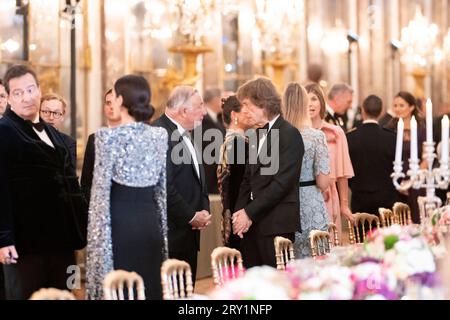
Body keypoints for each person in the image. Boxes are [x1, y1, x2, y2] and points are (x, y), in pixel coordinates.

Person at [0, 64, 87, 300]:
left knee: (64, 296)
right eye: (18, 93)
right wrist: (3, 239)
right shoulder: (4, 131)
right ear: (8, 97)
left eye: (31, 89)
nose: (27, 97)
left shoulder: (57, 136)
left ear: (39, 90)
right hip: (25, 245)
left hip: (63, 242)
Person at [86, 75, 168, 300]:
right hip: (150, 221)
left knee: (121, 286)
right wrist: (162, 234)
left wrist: (96, 251)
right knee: (149, 283)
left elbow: (99, 196)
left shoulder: (107, 138)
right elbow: (161, 191)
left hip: (120, 223)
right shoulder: (159, 136)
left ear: (120, 100)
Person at [232, 78, 304, 269]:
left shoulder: (290, 134)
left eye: (247, 105)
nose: (244, 111)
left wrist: (249, 212)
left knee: (277, 284)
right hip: (252, 224)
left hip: (277, 223)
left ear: (262, 102)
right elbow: (247, 180)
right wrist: (240, 214)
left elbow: (282, 183)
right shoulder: (256, 134)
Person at [153, 86, 211, 282]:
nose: (204, 112)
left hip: (188, 232)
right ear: (184, 111)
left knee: (185, 292)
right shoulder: (159, 132)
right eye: (200, 106)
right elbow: (163, 185)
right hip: (171, 233)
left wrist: (202, 211)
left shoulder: (185, 133)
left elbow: (196, 179)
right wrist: (191, 216)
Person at [282, 83, 330, 258]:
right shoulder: (316, 137)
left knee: (288, 259)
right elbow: (323, 183)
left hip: (284, 204)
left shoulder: (276, 136)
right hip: (311, 204)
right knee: (317, 260)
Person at [306, 83, 355, 241]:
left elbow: (342, 174)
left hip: (328, 198)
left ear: (321, 102)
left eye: (313, 99)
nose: (310, 103)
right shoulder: (294, 133)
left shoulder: (335, 133)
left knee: (329, 246)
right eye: (305, 99)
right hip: (304, 198)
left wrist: (344, 205)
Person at [347, 95, 400, 216]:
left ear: (363, 111)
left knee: (360, 235)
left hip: (359, 197)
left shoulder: (350, 137)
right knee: (386, 235)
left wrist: (355, 186)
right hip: (386, 198)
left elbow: (347, 170)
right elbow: (397, 168)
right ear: (381, 112)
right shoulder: (391, 138)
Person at [217, 95, 255, 249]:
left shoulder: (233, 141)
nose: (250, 113)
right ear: (234, 115)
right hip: (239, 214)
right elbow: (238, 185)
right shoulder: (238, 143)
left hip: (231, 212)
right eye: (246, 110)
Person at [384, 91, 426, 223]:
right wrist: (399, 182)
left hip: (417, 180)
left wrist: (411, 180)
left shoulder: (421, 129)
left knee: (417, 220)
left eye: (401, 105)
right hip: (395, 181)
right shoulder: (389, 129)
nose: (397, 109)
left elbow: (426, 158)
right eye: (395, 105)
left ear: (412, 107)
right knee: (398, 221)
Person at [80, 89, 121, 204]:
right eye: (108, 103)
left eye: (115, 103)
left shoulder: (135, 138)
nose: (111, 107)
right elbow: (86, 182)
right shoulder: (93, 139)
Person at [40, 93, 76, 171]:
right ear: (38, 113)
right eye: (46, 112)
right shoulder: (26, 137)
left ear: (62, 117)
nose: (51, 117)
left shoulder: (69, 143)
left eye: (56, 113)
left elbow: (70, 175)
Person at [200, 88, 226, 195]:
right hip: (209, 175)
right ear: (215, 100)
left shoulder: (217, 118)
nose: (223, 103)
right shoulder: (203, 119)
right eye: (222, 99)